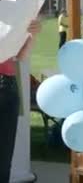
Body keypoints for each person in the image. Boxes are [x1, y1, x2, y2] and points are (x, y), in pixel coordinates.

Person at [0, 19, 42, 182]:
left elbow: (20, 56)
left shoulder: (7, 15)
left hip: (8, 87)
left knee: (4, 162)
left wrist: (32, 35)